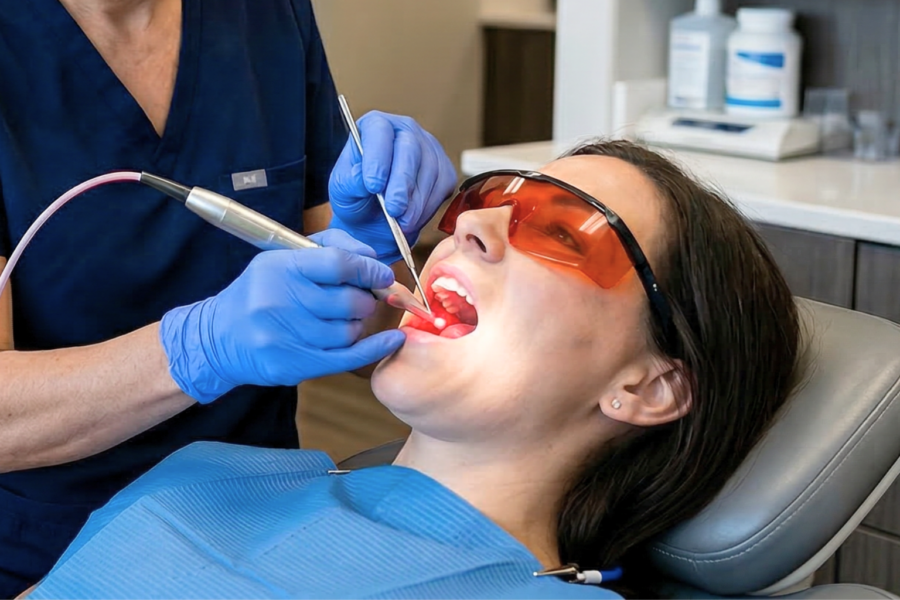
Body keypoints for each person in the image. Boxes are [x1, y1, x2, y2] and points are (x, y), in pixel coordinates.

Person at [24, 140, 802, 599]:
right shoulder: (205, 472)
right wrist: (198, 343)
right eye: (488, 198)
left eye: (564, 234)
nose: (472, 227)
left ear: (649, 385)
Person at [0, 0, 456, 594]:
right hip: (55, 551)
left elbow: (368, 330)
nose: (476, 230)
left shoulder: (267, 16)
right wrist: (198, 348)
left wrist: (366, 252)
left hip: (270, 518)